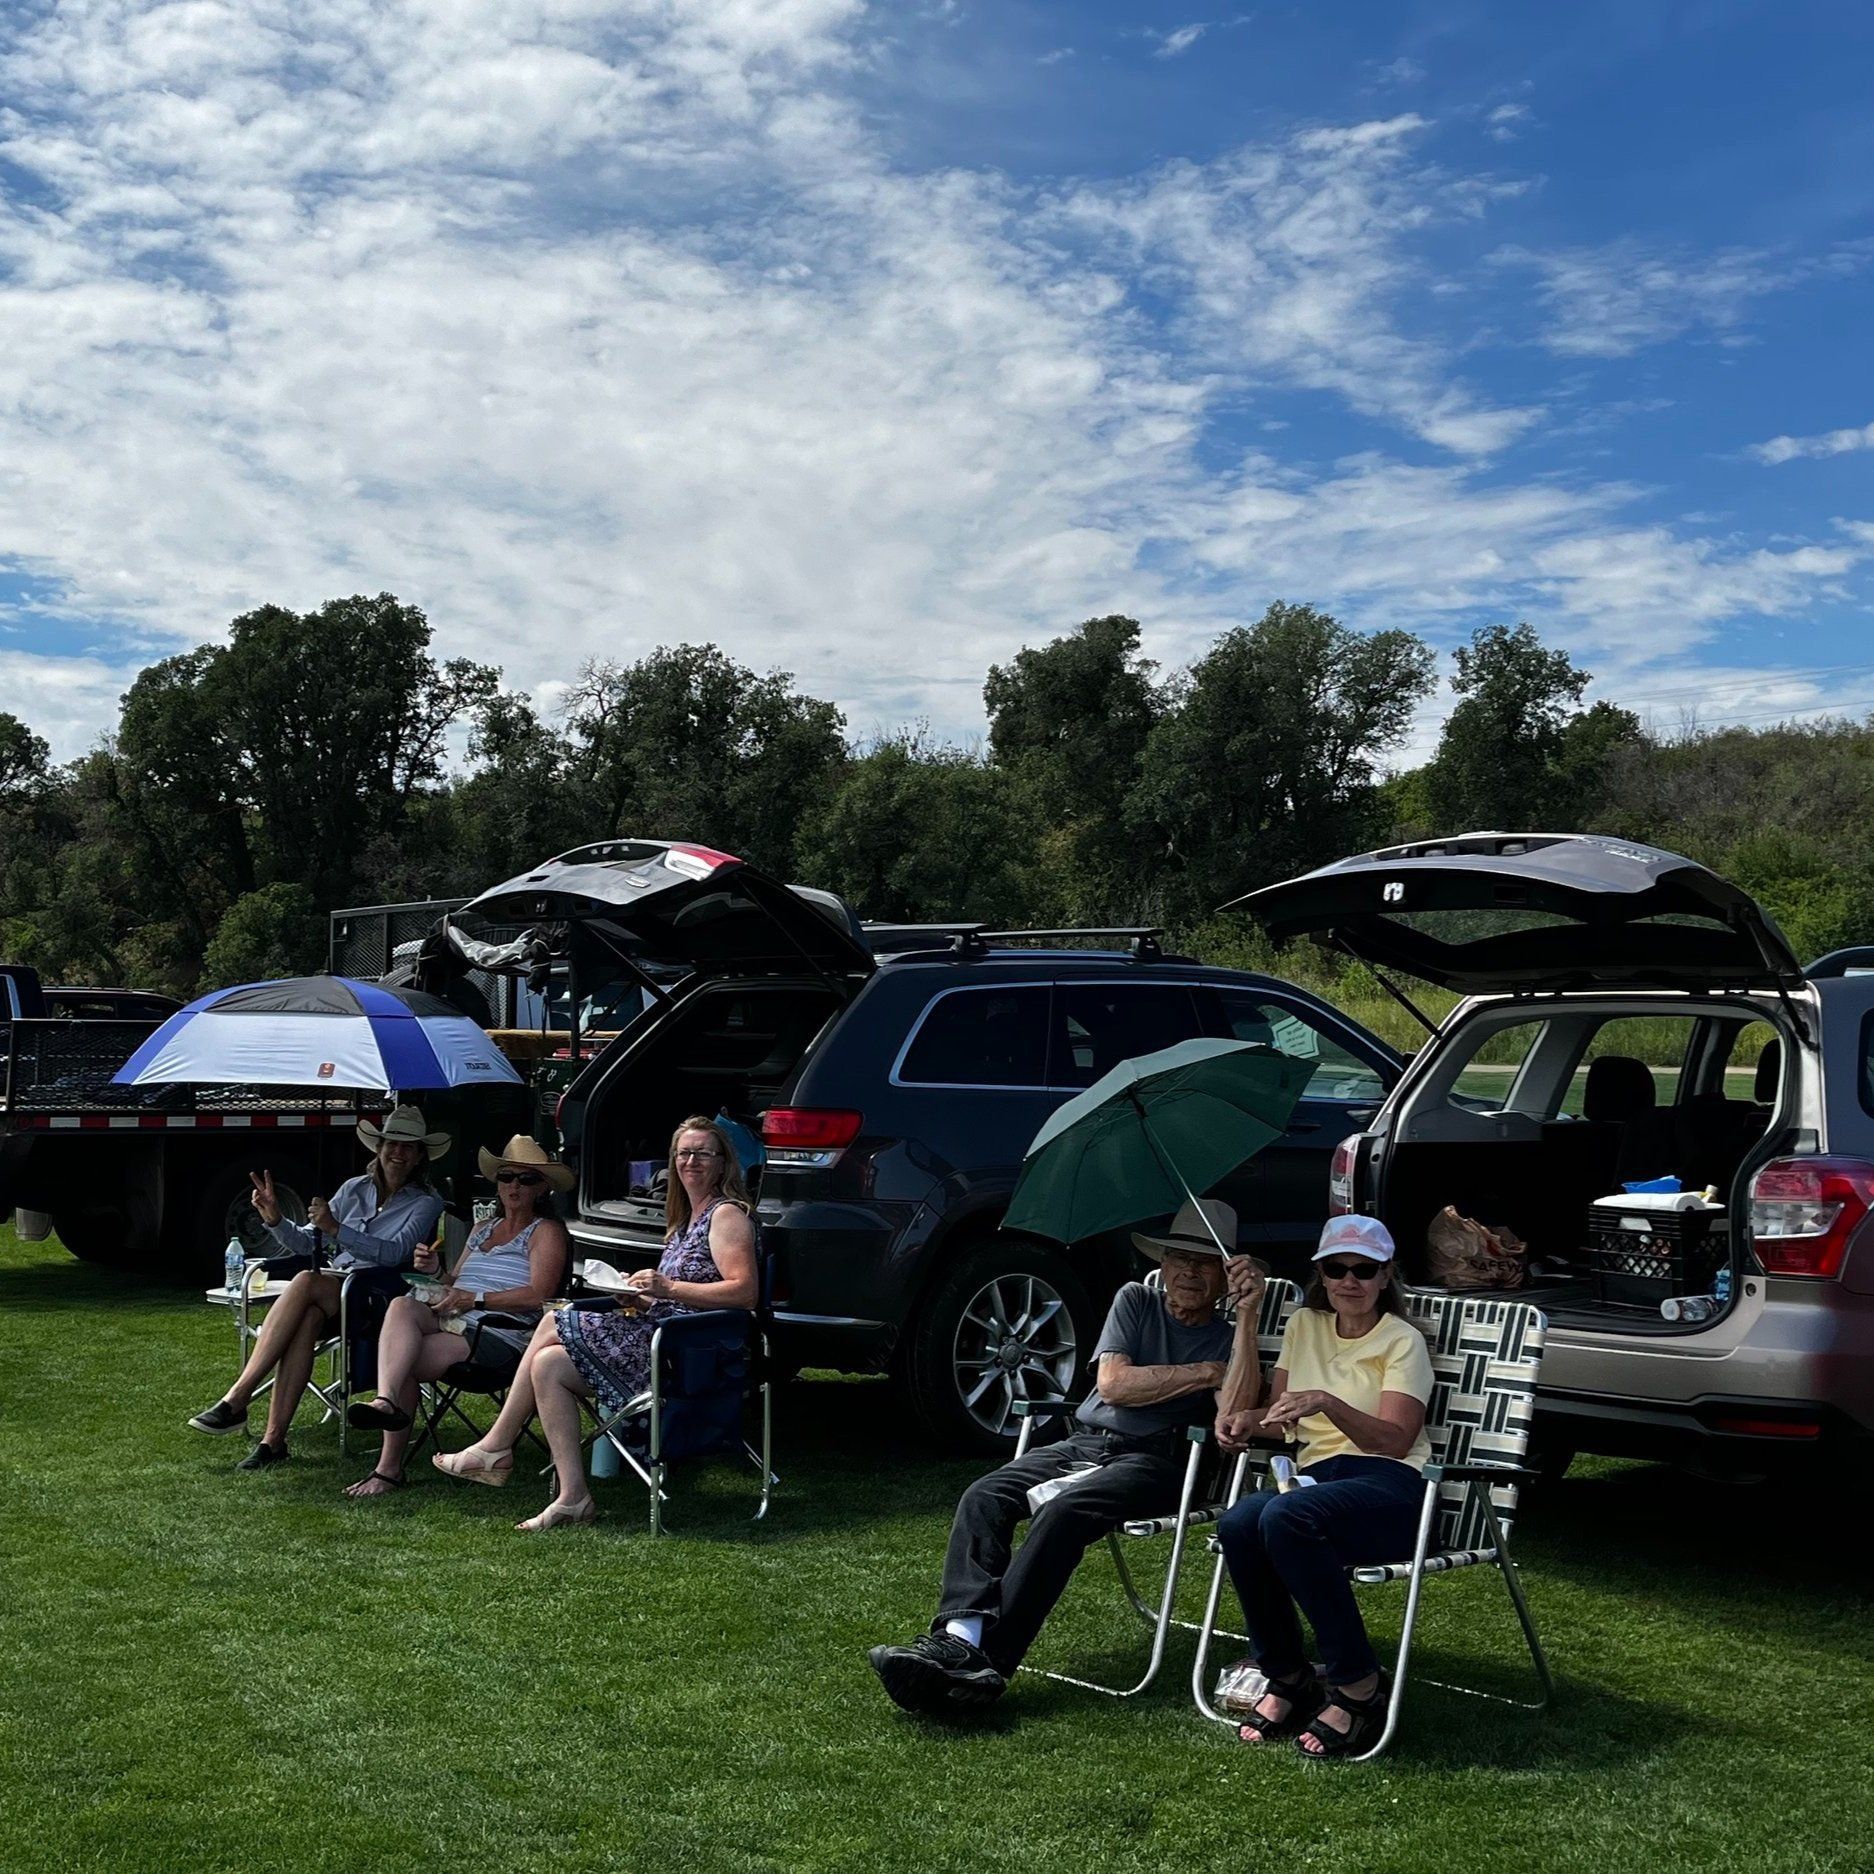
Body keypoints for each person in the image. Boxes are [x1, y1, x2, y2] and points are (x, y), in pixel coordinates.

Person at [866, 1197, 1266, 1715]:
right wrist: (1207, 1373)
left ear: (1225, 1274)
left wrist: (1249, 1322)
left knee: (1064, 1512)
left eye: (1205, 1261)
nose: (1189, 1270)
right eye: (1178, 1258)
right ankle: (962, 1638)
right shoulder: (1135, 1301)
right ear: (1161, 1265)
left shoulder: (1232, 1337)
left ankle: (988, 1660)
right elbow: (1115, 1385)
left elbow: (1231, 1422)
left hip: (1159, 1461)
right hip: (1084, 1442)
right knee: (985, 1494)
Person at [431, 1114, 759, 1532]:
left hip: (688, 1354)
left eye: (702, 1153)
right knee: (547, 1364)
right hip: (660, 1336)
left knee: (555, 1319)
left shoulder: (726, 1214)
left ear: (722, 1162)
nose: (691, 1161)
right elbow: (677, 1291)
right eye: (683, 1153)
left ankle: (496, 1445)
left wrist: (667, 1287)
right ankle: (574, 1498)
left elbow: (744, 1292)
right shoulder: (684, 1221)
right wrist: (638, 1294)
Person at [1213, 1213, 1434, 1761]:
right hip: (1316, 1483)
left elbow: (1395, 1441)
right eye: (1337, 1268)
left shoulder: (1401, 1341)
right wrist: (1247, 1421)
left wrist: (1329, 1403)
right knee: (1240, 1521)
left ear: (1387, 1277)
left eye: (1365, 1269)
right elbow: (1283, 1418)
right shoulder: (1304, 1325)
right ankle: (1288, 1676)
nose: (1349, 1281)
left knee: (1285, 1516)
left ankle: (1359, 1682)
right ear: (1321, 1273)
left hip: (1389, 1487)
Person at [186, 1104, 449, 1470]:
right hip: (336, 1291)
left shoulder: (426, 1201)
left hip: (382, 1296)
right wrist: (276, 1219)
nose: (399, 1152)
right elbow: (311, 1243)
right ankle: (273, 1441)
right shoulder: (353, 1188)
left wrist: (338, 1230)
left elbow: (395, 1253)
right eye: (392, 1143)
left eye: (409, 1146)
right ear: (379, 1146)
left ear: (421, 1155)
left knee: (307, 1280)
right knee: (305, 1319)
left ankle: (238, 1397)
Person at [341, 1134, 571, 1499]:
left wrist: (475, 1300)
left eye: (526, 1179)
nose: (514, 1186)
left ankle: (388, 1469)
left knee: (405, 1358)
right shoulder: (482, 1230)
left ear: (542, 1188)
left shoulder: (546, 1231)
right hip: (457, 1317)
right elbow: (453, 1282)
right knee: (402, 1305)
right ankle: (385, 1403)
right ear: (496, 1183)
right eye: (507, 1177)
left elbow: (538, 1295)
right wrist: (434, 1272)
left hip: (499, 1333)